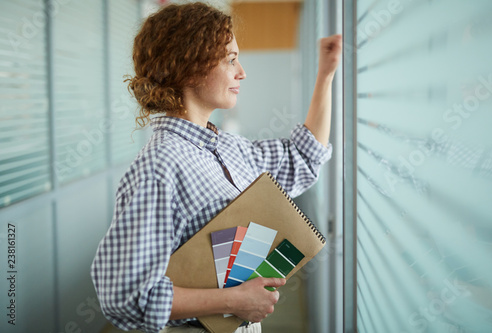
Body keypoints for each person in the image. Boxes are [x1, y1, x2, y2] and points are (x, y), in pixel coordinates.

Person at [91, 2, 342, 333]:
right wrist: (233, 301)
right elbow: (125, 296)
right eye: (231, 59)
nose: (242, 72)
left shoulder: (228, 147)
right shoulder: (159, 166)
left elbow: (302, 157)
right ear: (191, 66)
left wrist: (326, 73)